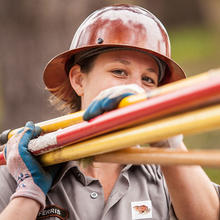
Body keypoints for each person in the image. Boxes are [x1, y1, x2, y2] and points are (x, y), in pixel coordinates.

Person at [0, 4, 219, 220]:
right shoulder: (20, 169)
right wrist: (29, 191)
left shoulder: (169, 171)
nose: (133, 91)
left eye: (148, 80)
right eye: (119, 72)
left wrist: (169, 142)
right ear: (78, 80)